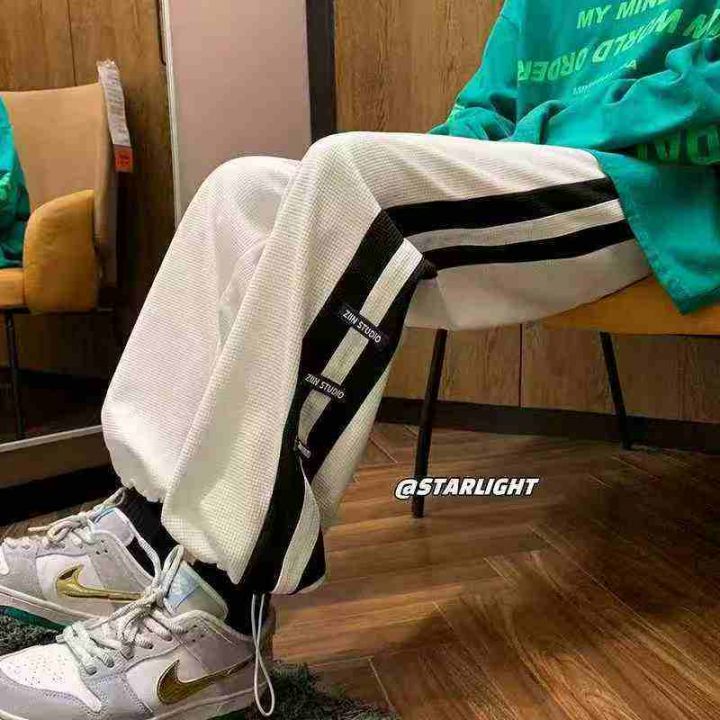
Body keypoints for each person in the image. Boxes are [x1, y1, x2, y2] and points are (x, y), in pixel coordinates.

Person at [1, 1, 720, 717]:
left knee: (351, 169)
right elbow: (482, 112)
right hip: (545, 166)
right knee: (239, 188)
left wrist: (532, 133)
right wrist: (468, 153)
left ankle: (219, 614)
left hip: (663, 190)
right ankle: (142, 535)